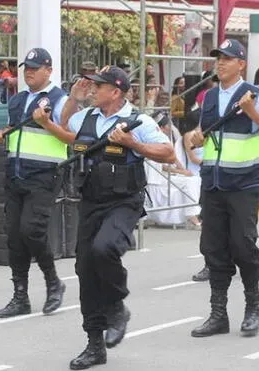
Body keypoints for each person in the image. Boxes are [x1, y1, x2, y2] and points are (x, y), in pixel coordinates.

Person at [59, 66, 174, 370]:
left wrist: (133, 144)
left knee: (104, 249)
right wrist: (74, 98)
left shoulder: (139, 120)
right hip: (90, 202)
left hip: (124, 201)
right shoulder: (87, 116)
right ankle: (94, 344)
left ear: (116, 91)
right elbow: (64, 124)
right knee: (85, 269)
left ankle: (117, 305)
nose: (93, 89)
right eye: (93, 85)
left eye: (99, 86)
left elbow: (168, 153)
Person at [188, 39, 259, 339]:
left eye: (228, 58)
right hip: (214, 183)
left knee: (243, 246)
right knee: (213, 248)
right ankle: (218, 314)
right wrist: (196, 138)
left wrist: (254, 113)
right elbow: (204, 135)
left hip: (244, 183)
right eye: (218, 57)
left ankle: (252, 308)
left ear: (241, 64)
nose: (221, 63)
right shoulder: (209, 97)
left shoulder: (255, 96)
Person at [0, 48, 68, 319]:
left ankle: (52, 282)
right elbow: (15, 134)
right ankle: (20, 295)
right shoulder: (17, 100)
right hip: (15, 173)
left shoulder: (61, 100)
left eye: (35, 67)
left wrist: (46, 122)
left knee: (31, 231)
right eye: (26, 68)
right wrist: (2, 136)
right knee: (14, 236)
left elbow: (71, 138)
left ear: (49, 70)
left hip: (44, 174)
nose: (29, 72)